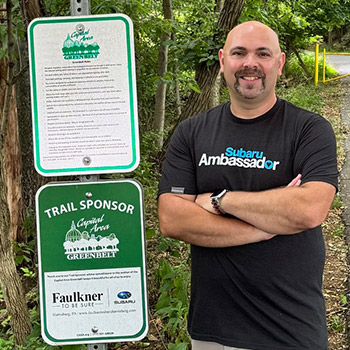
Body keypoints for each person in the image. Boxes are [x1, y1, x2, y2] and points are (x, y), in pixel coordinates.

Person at [157, 21, 338, 350]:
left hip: (291, 330)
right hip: (213, 331)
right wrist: (263, 227)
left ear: (279, 64)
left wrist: (218, 200)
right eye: (239, 53)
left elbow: (309, 209)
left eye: (262, 54)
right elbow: (173, 218)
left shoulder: (310, 130)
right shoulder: (191, 133)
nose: (250, 63)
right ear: (223, 61)